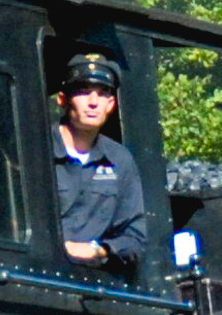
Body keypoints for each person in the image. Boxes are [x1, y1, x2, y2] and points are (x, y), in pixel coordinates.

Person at [50, 52, 148, 277]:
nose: (93, 102)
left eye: (102, 94)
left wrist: (99, 250)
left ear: (111, 104)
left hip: (96, 282)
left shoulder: (120, 159)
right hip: (43, 276)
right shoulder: (38, 150)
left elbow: (134, 236)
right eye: (84, 92)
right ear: (63, 100)